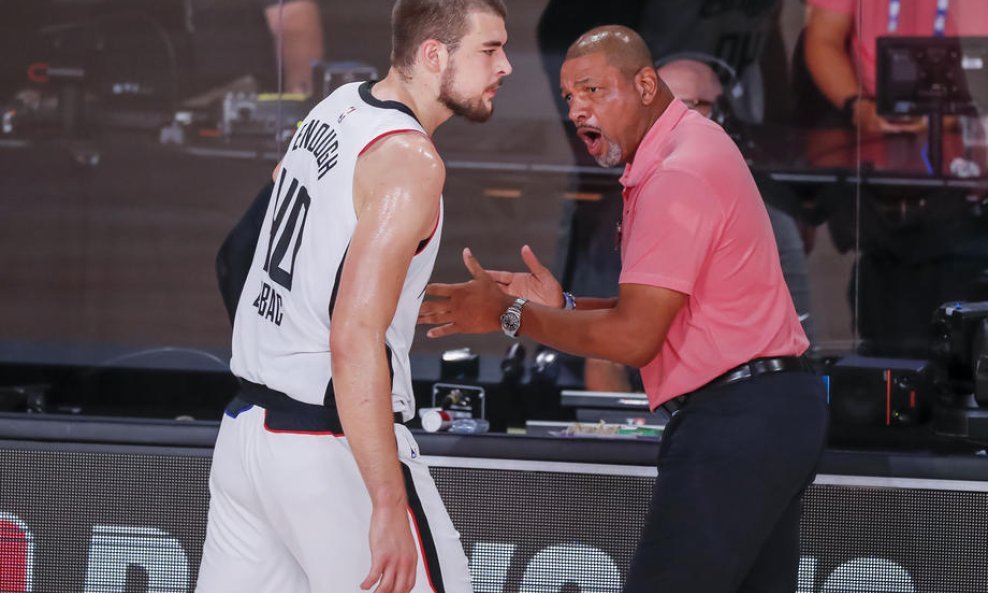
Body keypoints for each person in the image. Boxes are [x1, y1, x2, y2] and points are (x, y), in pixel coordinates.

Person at [419, 25, 828, 593]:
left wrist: (506, 316)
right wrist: (561, 305)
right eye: (568, 98)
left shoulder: (676, 173)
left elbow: (635, 338)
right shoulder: (684, 150)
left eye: (593, 90)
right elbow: (659, 308)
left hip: (739, 419)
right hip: (768, 410)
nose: (578, 110)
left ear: (643, 84)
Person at [196, 2, 511, 592]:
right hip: (328, 443)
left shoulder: (334, 107)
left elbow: (237, 255)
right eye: (490, 50)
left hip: (248, 435)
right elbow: (354, 335)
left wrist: (281, 344)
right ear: (434, 54)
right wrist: (387, 500)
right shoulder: (410, 160)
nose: (507, 66)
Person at [581, 57, 819, 393]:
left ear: (722, 118)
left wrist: (518, 315)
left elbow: (798, 340)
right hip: (658, 411)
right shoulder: (625, 205)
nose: (660, 121)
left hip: (740, 400)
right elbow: (606, 346)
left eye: (682, 107)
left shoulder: (762, 212)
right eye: (650, 106)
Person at [803, 0, 988, 356]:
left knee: (967, 339)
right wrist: (859, 106)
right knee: (889, 333)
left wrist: (952, 115)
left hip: (968, 168)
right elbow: (823, 38)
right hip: (882, 179)